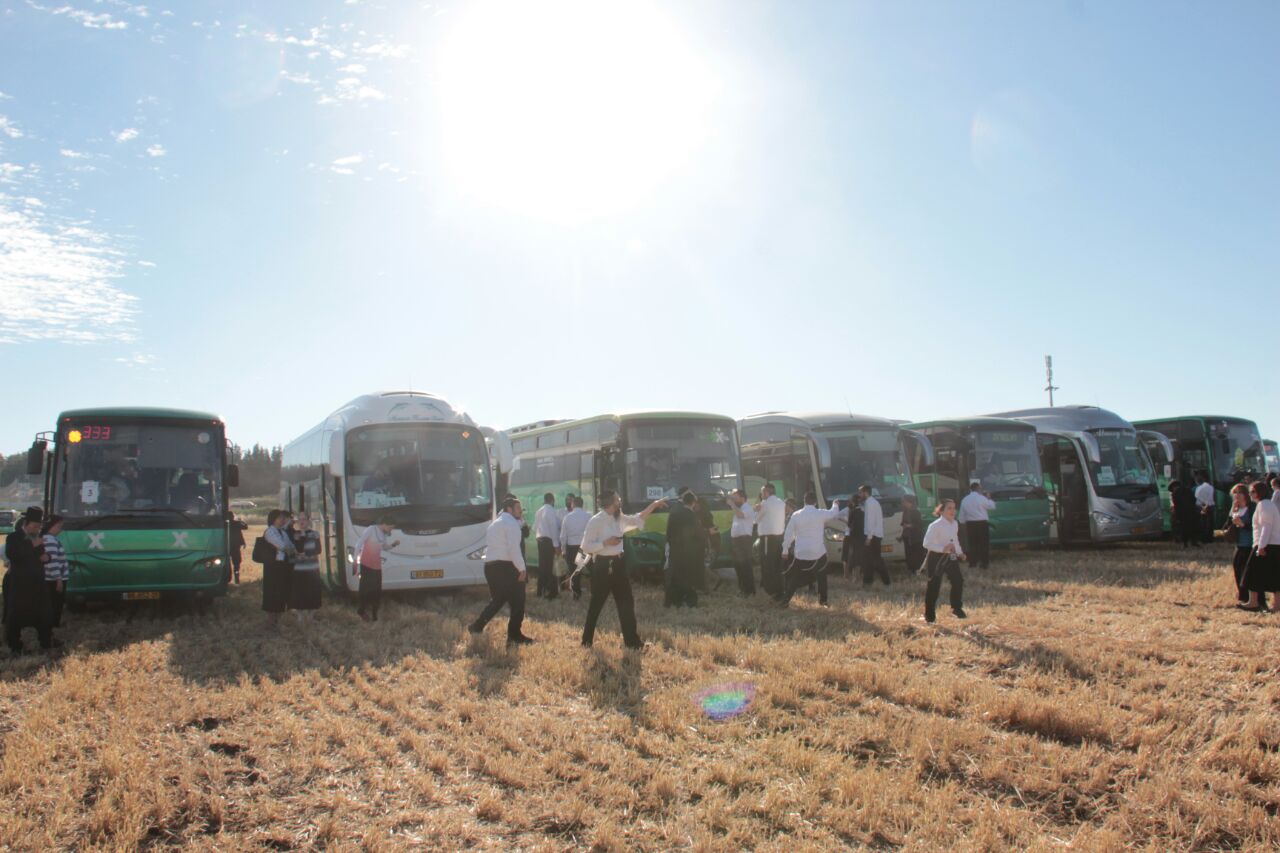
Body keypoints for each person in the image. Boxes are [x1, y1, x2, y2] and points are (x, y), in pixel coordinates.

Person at [580, 491, 667, 650]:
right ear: (610, 503)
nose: (620, 501)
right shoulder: (595, 521)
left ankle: (632, 642)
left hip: (619, 566)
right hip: (602, 567)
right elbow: (586, 546)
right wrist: (605, 543)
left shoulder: (619, 517)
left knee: (627, 603)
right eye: (617, 500)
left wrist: (654, 505)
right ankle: (586, 641)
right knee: (596, 605)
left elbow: (638, 518)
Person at [469, 498, 534, 644]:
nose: (521, 510)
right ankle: (514, 636)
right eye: (518, 508)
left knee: (498, 600)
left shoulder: (495, 523)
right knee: (518, 601)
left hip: (491, 567)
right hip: (506, 567)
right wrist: (522, 568)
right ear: (509, 509)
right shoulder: (511, 524)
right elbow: (513, 549)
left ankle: (477, 626)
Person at [778, 492, 843, 607]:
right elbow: (833, 513)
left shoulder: (796, 515)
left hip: (800, 553)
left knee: (794, 579)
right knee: (821, 577)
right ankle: (823, 602)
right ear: (815, 502)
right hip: (818, 553)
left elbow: (789, 534)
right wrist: (835, 504)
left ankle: (785, 601)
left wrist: (785, 550)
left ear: (804, 501)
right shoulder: (820, 513)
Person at [5, 507, 55, 654]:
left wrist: (47, 558)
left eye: (38, 526)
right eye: (34, 526)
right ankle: (15, 646)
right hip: (20, 584)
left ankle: (46, 642)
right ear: (26, 523)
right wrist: (32, 546)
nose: (36, 529)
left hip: (38, 583)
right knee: (15, 617)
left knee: (45, 614)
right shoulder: (13, 538)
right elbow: (13, 555)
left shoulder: (37, 538)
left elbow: (42, 556)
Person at [922, 499, 967, 623]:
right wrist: (942, 549)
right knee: (934, 585)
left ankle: (956, 608)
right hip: (936, 557)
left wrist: (960, 553)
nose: (953, 511)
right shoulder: (935, 525)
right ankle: (929, 615)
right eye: (949, 508)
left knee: (958, 580)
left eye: (954, 508)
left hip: (950, 556)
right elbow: (926, 543)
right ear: (941, 511)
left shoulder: (955, 523)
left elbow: (955, 541)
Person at [1240, 481, 1280, 612]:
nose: (1250, 494)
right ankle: (1272, 604)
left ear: (1258, 493)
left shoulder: (1264, 505)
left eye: (1252, 492)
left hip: (1267, 545)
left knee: (1252, 573)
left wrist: (1261, 547)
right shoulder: (1266, 505)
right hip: (1272, 544)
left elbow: (1266, 527)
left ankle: (1254, 602)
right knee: (1273, 575)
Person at [352, 516, 399, 621]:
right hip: (366, 564)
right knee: (365, 588)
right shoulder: (371, 529)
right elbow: (359, 543)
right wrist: (355, 559)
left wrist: (393, 545)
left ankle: (374, 614)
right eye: (390, 527)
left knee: (377, 590)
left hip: (376, 566)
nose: (391, 530)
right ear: (385, 524)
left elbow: (384, 547)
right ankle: (361, 610)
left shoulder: (383, 534)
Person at [665, 492, 701, 608]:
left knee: (675, 575)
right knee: (688, 576)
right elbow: (696, 534)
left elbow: (669, 533)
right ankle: (690, 601)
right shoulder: (692, 515)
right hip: (688, 551)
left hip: (675, 549)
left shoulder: (674, 513)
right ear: (693, 503)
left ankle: (673, 601)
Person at [262, 509, 296, 626]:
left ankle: (278, 618)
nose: (282, 520)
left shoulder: (282, 532)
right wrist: (288, 548)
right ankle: (271, 619)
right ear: (274, 519)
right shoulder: (270, 532)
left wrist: (289, 549)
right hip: (273, 567)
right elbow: (283, 546)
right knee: (272, 592)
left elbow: (291, 547)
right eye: (280, 518)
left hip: (282, 565)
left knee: (281, 591)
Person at [289, 513, 323, 622]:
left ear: (308, 520)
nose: (302, 522)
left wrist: (307, 554)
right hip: (299, 568)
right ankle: (300, 616)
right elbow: (296, 548)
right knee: (300, 592)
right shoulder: (295, 535)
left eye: (304, 519)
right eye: (299, 519)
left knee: (313, 591)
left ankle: (311, 616)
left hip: (312, 568)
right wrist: (302, 536)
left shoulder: (315, 534)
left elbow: (318, 549)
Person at [1226, 484, 1255, 607]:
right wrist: (1232, 511)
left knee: (1247, 572)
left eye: (1239, 493)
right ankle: (1242, 596)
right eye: (1235, 493)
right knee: (1237, 569)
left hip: (1249, 544)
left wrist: (1242, 524)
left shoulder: (1252, 508)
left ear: (1245, 494)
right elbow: (1227, 524)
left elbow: (1255, 526)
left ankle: (1251, 598)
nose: (1236, 495)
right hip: (1239, 544)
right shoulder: (1235, 508)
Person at [754, 485, 786, 598]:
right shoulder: (781, 502)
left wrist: (756, 509)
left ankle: (771, 590)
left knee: (768, 564)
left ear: (767, 492)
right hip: (779, 537)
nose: (761, 495)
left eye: (762, 493)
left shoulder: (765, 503)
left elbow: (755, 519)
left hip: (768, 538)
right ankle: (780, 589)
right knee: (777, 564)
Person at [958, 481, 996, 569]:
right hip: (982, 523)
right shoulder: (981, 498)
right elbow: (992, 506)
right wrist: (989, 498)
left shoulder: (965, 499)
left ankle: (972, 563)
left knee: (972, 544)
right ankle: (984, 563)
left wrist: (962, 522)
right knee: (984, 544)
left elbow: (962, 515)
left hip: (970, 524)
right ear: (978, 488)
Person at [41, 514, 69, 628]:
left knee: (54, 603)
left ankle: (53, 624)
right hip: (54, 579)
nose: (60, 529)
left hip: (52, 577)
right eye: (58, 526)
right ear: (51, 526)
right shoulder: (50, 540)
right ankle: (53, 625)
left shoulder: (47, 538)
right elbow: (53, 561)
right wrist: (58, 579)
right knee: (56, 603)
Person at [727, 489, 757, 596]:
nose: (734, 500)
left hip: (743, 541)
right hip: (737, 541)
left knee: (745, 566)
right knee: (738, 566)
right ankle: (743, 589)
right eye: (733, 498)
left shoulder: (747, 508)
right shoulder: (739, 508)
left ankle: (749, 590)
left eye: (736, 498)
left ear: (742, 498)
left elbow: (741, 515)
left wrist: (732, 505)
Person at [560, 496, 591, 600]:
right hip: (583, 546)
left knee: (574, 571)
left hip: (571, 547)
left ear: (573, 504)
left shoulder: (567, 517)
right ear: (582, 504)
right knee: (585, 568)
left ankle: (576, 594)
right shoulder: (588, 516)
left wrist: (563, 550)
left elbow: (563, 536)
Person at [532, 493, 562, 599]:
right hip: (549, 542)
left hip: (540, 540)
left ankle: (540, 591)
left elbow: (534, 528)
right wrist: (556, 545)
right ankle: (552, 592)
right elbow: (554, 528)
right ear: (552, 500)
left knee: (542, 567)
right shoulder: (551, 511)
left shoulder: (539, 511)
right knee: (551, 567)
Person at [859, 484, 889, 586]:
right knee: (869, 560)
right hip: (874, 535)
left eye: (861, 492)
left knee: (876, 560)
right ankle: (868, 581)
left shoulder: (870, 503)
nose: (860, 495)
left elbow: (870, 521)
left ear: (865, 492)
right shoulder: (871, 502)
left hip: (873, 536)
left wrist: (869, 537)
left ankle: (886, 581)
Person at [841, 493, 865, 580]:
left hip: (851, 536)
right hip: (860, 536)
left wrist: (845, 521)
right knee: (857, 556)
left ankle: (846, 575)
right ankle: (856, 576)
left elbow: (849, 524)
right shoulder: (863, 512)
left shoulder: (851, 511)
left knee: (847, 555)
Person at [900, 494, 925, 574]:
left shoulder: (916, 512)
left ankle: (919, 570)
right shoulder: (905, 511)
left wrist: (909, 525)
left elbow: (919, 525)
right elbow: (903, 523)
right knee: (909, 555)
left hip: (915, 537)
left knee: (917, 555)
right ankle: (912, 570)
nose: (903, 502)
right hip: (907, 537)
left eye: (904, 501)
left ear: (909, 502)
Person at [1170, 480, 1200, 548]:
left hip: (1182, 513)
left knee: (1183, 528)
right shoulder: (1188, 490)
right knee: (1192, 527)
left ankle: (1185, 543)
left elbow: (1176, 505)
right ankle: (1194, 541)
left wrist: (1177, 516)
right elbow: (1194, 499)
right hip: (1191, 511)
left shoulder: (1174, 494)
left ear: (1173, 487)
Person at [1194, 472, 1216, 544]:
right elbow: (1212, 498)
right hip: (1210, 507)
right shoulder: (1211, 487)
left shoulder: (1198, 488)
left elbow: (1196, 498)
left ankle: (1203, 538)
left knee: (1202, 523)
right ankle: (1209, 538)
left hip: (1200, 507)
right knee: (1209, 524)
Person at [228, 511, 248, 584]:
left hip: (227, 546)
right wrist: (241, 520)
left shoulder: (224, 524)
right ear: (233, 516)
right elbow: (245, 526)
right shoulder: (236, 523)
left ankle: (228, 577)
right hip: (236, 546)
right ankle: (237, 579)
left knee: (227, 563)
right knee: (236, 563)